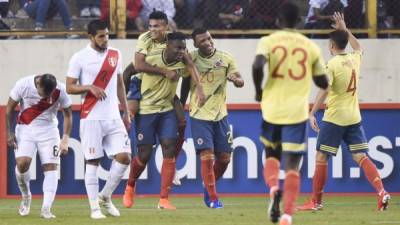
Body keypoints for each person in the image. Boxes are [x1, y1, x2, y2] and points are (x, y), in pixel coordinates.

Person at [297, 12, 391, 212]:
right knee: (360, 156)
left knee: (321, 157)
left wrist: (312, 112)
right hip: (353, 116)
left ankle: (316, 202)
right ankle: (382, 191)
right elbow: (359, 47)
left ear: (331, 46)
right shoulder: (353, 59)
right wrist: (345, 28)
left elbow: (325, 89)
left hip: (335, 117)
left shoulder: (331, 64)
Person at [252, 2, 329, 225]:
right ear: (299, 21)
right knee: (293, 165)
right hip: (296, 112)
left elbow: (257, 65)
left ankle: (274, 188)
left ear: (277, 21)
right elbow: (322, 81)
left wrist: (258, 91)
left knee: (271, 155)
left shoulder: (268, 41)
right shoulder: (310, 46)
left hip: (272, 108)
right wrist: (318, 78)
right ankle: (287, 215)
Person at [122, 11, 205, 208]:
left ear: (167, 28)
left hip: (166, 105)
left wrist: (198, 91)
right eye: (150, 26)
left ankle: (164, 198)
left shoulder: (178, 50)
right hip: (144, 97)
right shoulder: (148, 47)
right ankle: (130, 186)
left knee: (169, 143)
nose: (153, 30)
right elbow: (133, 68)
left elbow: (190, 68)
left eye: (157, 26)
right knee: (144, 154)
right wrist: (127, 99)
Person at [66, 20, 131, 219]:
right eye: (101, 36)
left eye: (107, 35)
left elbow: (120, 84)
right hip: (91, 117)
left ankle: (105, 195)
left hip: (113, 116)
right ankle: (95, 208)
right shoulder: (80, 58)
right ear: (91, 37)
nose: (105, 39)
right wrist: (89, 87)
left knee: (125, 157)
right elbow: (69, 87)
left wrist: (126, 111)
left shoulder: (115, 54)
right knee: (93, 161)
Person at [180, 28, 244, 208]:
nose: (207, 43)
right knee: (207, 155)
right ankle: (213, 197)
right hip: (199, 114)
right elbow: (184, 80)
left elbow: (240, 80)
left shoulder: (226, 58)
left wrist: (235, 80)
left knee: (224, 159)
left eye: (209, 38)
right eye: (202, 41)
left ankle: (207, 186)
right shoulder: (190, 59)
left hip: (220, 115)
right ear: (195, 44)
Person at [6, 74, 72, 219]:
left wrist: (65, 138)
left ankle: (46, 209)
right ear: (37, 86)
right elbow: (9, 108)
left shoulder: (60, 90)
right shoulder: (23, 84)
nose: (47, 98)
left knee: (51, 167)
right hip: (25, 129)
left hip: (49, 130)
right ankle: (26, 196)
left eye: (50, 94)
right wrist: (9, 132)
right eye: (44, 94)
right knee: (22, 164)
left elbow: (68, 113)